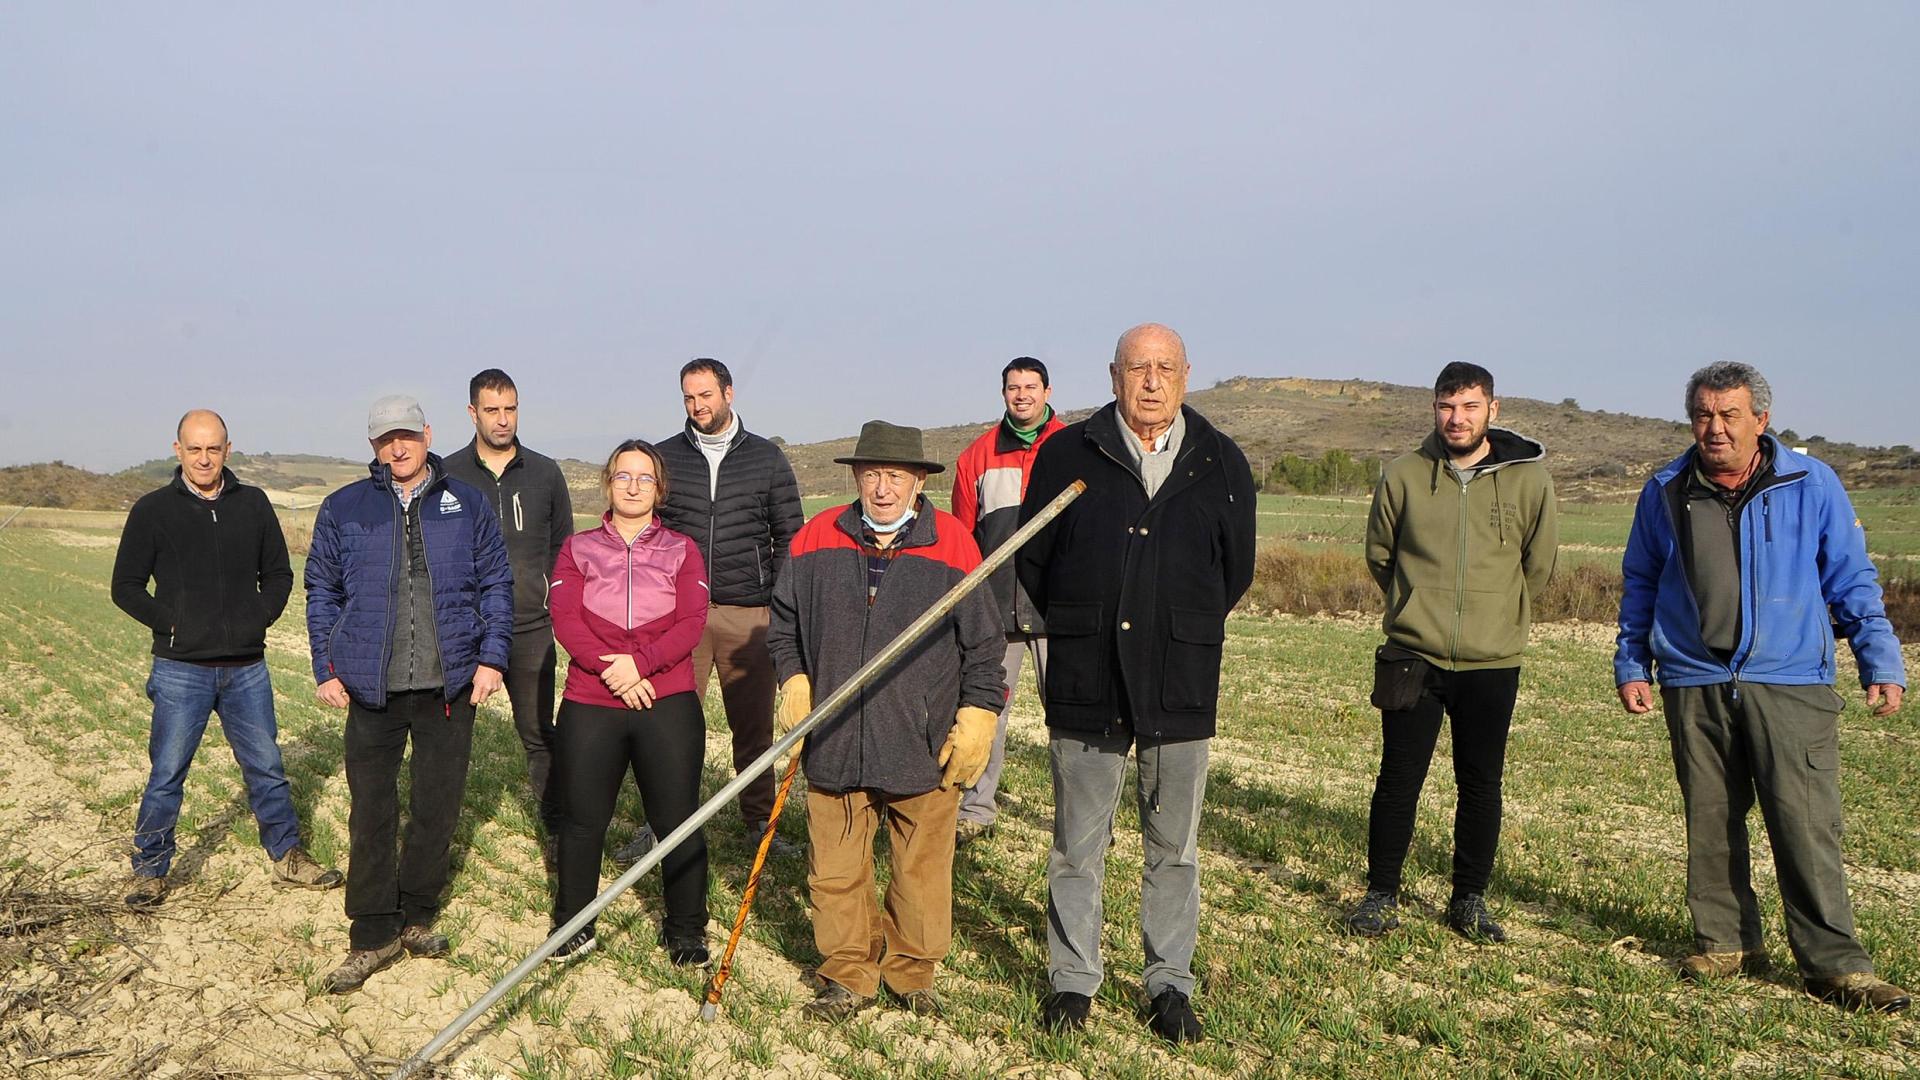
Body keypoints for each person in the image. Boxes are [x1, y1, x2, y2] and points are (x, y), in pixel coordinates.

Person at [1614, 361, 1909, 1012]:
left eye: (1729, 415)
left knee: (1806, 823)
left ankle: (1835, 965)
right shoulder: (1664, 489)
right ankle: (1727, 944)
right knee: (1711, 818)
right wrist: (1633, 663)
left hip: (1790, 679)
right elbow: (1641, 582)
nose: (1714, 428)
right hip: (1695, 678)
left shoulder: (1812, 482)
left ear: (1761, 420)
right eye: (1703, 415)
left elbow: (1851, 578)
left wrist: (1880, 660)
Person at [1016, 323, 1256, 1043]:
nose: (1151, 382)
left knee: (1173, 849)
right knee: (1076, 847)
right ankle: (1072, 981)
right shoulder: (1067, 453)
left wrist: (1174, 623)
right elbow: (1035, 560)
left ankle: (1169, 985)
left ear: (1186, 374)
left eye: (1164, 368)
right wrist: (1088, 618)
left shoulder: (1220, 459)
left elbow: (1234, 570)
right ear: (1113, 375)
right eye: (1137, 368)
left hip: (1181, 678)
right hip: (1087, 677)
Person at [767, 421, 1004, 1020]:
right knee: (835, 870)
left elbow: (984, 645)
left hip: (921, 742)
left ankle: (912, 971)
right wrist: (794, 679)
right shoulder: (816, 537)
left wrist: (979, 713)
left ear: (919, 481)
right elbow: (783, 625)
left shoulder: (953, 544)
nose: (882, 488)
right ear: (855, 476)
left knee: (921, 870)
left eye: (895, 476)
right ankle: (848, 973)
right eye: (871, 474)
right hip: (835, 737)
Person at [304, 394, 512, 994]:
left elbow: (497, 583)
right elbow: (322, 590)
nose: (397, 447)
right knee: (371, 809)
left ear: (427, 435)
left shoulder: (466, 503)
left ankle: (418, 912)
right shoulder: (344, 507)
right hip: (373, 687)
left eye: (407, 436)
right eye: (384, 439)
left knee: (436, 805)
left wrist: (492, 658)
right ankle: (373, 931)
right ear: (373, 445)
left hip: (449, 684)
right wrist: (325, 667)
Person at [1344, 363, 1558, 943]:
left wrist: (1498, 613)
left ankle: (1468, 899)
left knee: (1481, 783)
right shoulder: (1403, 475)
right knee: (1398, 780)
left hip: (1492, 660)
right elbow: (1381, 555)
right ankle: (1380, 895)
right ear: (1434, 409)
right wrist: (1416, 606)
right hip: (1413, 653)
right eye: (1446, 406)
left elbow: (1538, 565)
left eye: (1468, 406)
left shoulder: (1530, 480)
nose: (1456, 418)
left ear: (1493, 409)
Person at [109, 410, 342, 909]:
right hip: (181, 669)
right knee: (167, 774)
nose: (204, 458)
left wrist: (257, 618)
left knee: (267, 767)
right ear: (178, 450)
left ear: (227, 450)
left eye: (213, 449)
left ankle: (287, 856)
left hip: (246, 668)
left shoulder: (252, 504)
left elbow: (279, 575)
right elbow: (125, 586)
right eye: (194, 449)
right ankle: (149, 870)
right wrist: (172, 624)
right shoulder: (152, 510)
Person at [617, 358, 805, 863]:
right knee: (670, 726)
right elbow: (647, 530)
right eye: (688, 397)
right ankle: (660, 826)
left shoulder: (766, 458)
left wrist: (778, 605)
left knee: (754, 730)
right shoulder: (665, 458)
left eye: (705, 395)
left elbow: (790, 535)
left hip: (749, 615)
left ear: (728, 393)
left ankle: (760, 824)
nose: (697, 406)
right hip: (681, 618)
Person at [544, 441, 711, 965]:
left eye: (644, 478)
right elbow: (566, 618)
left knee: (677, 818)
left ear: (659, 489)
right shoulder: (577, 547)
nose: (633, 486)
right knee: (582, 818)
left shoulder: (683, 548)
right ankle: (574, 924)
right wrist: (614, 671)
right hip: (591, 700)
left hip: (667, 698)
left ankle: (686, 929)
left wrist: (640, 664)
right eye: (623, 476)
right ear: (608, 483)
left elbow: (692, 621)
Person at [442, 369, 574, 849]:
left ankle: (558, 834)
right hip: (462, 632)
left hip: (530, 628)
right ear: (472, 413)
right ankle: (439, 839)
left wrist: (554, 605)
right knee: (447, 744)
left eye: (510, 409)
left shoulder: (545, 473)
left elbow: (563, 550)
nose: (503, 419)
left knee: (539, 735)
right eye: (492, 410)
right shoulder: (447, 476)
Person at [949, 356, 1066, 846]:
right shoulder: (976, 457)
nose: (1022, 395)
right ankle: (976, 811)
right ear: (1003, 394)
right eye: (1014, 388)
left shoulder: (1073, 448)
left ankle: (1080, 820)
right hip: (996, 611)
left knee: (1069, 717)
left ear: (1047, 391)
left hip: (1059, 609)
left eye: (1031, 387)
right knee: (986, 712)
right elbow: (962, 539)